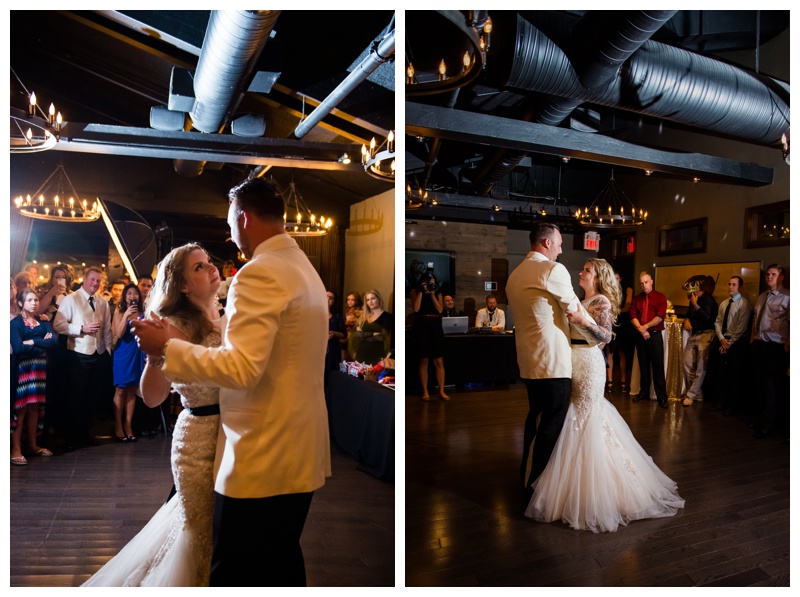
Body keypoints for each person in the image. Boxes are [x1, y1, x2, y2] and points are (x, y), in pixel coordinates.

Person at [132, 177, 331, 587]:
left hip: (262, 454)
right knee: (281, 564)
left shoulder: (260, 273)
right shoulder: (304, 267)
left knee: (235, 575)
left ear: (243, 217)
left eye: (229, 221)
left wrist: (168, 348)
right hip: (296, 448)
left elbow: (242, 369)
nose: (229, 233)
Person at [82, 243, 225, 586]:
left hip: (228, 432)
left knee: (213, 527)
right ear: (183, 285)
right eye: (198, 267)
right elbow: (152, 397)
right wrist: (156, 356)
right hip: (200, 435)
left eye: (208, 263)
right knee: (198, 529)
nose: (210, 269)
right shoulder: (173, 323)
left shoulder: (219, 313)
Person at [525, 258, 685, 533]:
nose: (581, 272)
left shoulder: (601, 302)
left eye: (586, 270)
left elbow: (606, 336)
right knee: (573, 417)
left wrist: (579, 321)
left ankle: (595, 491)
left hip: (588, 364)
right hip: (571, 362)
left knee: (586, 418)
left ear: (597, 277)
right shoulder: (578, 299)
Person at [506, 222, 586, 493]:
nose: (562, 250)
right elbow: (575, 309)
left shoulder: (515, 275)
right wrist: (601, 335)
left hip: (529, 361)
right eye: (560, 244)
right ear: (547, 243)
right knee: (551, 426)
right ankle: (538, 486)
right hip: (553, 362)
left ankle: (526, 476)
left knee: (537, 419)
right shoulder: (551, 269)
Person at [53, 266, 113, 451]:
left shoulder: (103, 303)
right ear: (84, 279)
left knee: (92, 397)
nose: (95, 283)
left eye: (98, 280)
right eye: (92, 279)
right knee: (76, 396)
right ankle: (71, 436)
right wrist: (80, 328)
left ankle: (85, 432)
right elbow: (58, 325)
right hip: (78, 354)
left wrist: (108, 352)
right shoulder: (71, 299)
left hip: (99, 354)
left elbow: (107, 330)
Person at [10, 289, 59, 465]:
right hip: (24, 369)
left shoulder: (42, 321)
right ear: (21, 303)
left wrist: (33, 342)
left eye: (36, 299)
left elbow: (53, 341)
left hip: (40, 370)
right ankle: (15, 448)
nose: (34, 303)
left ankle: (32, 444)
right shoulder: (16, 323)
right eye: (29, 300)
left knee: (35, 408)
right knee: (21, 408)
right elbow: (18, 348)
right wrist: (41, 347)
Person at [750, 264, 789, 439]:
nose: (769, 277)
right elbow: (755, 319)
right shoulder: (761, 297)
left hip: (776, 347)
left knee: (771, 386)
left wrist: (788, 342)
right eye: (768, 274)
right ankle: (759, 419)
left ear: (781, 277)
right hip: (759, 345)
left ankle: (767, 424)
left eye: (773, 274)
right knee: (759, 385)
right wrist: (752, 338)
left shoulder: (788, 297)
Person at [711, 276, 753, 415]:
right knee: (722, 374)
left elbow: (741, 327)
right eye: (729, 284)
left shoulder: (744, 304)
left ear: (739, 287)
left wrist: (728, 343)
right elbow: (717, 322)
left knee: (734, 375)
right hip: (723, 340)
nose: (731, 287)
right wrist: (721, 339)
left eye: (734, 284)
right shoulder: (724, 303)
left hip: (736, 343)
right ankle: (721, 401)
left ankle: (732, 405)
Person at [111, 284, 146, 442]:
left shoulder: (143, 312)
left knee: (132, 389)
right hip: (123, 352)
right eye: (129, 293)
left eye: (135, 294)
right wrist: (126, 315)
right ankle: (118, 425)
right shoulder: (119, 311)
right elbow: (118, 333)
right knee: (120, 390)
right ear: (125, 297)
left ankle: (128, 425)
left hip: (138, 352)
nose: (133, 296)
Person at [629, 271, 669, 408]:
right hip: (641, 335)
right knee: (643, 365)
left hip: (655, 334)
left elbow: (660, 316)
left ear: (651, 281)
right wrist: (641, 329)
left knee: (658, 365)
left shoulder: (660, 297)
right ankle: (644, 392)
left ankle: (662, 397)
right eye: (641, 283)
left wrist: (645, 327)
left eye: (646, 282)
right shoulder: (637, 298)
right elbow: (632, 315)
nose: (644, 285)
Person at [410, 276, 449, 401]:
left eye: (433, 283)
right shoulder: (415, 292)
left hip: (435, 326)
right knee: (423, 360)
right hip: (421, 326)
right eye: (428, 283)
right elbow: (416, 308)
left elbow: (440, 309)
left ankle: (442, 390)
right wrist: (422, 291)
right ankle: (425, 391)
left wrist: (432, 294)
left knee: (439, 360)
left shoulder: (438, 293)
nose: (431, 285)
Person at [681, 278, 718, 406]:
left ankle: (690, 395)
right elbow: (688, 314)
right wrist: (686, 320)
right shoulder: (692, 299)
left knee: (701, 367)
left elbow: (707, 317)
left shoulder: (709, 300)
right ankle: (697, 393)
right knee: (687, 363)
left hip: (706, 334)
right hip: (695, 334)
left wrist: (696, 305)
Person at [348, 289, 394, 365]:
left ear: (378, 299)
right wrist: (373, 333)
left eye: (373, 298)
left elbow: (382, 337)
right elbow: (356, 335)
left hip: (378, 354)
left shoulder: (388, 317)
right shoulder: (363, 318)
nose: (370, 302)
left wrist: (363, 334)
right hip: (360, 353)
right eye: (368, 300)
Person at [605, 272, 633, 394]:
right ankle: (609, 381)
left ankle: (623, 380)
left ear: (620, 278)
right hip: (611, 322)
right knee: (609, 352)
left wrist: (615, 311)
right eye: (613, 278)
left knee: (622, 352)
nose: (615, 280)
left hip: (623, 323)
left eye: (617, 278)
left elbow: (627, 307)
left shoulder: (628, 289)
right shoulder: (608, 289)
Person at [324, 290, 345, 393]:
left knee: (330, 377)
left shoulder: (337, 317)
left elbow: (343, 334)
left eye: (331, 298)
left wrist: (334, 334)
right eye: (326, 296)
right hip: (317, 350)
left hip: (332, 351)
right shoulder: (314, 314)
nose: (328, 299)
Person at [341, 291, 363, 360]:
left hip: (356, 337)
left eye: (352, 300)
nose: (350, 301)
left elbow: (360, 326)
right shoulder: (348, 311)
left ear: (357, 300)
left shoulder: (359, 311)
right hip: (348, 337)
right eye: (348, 299)